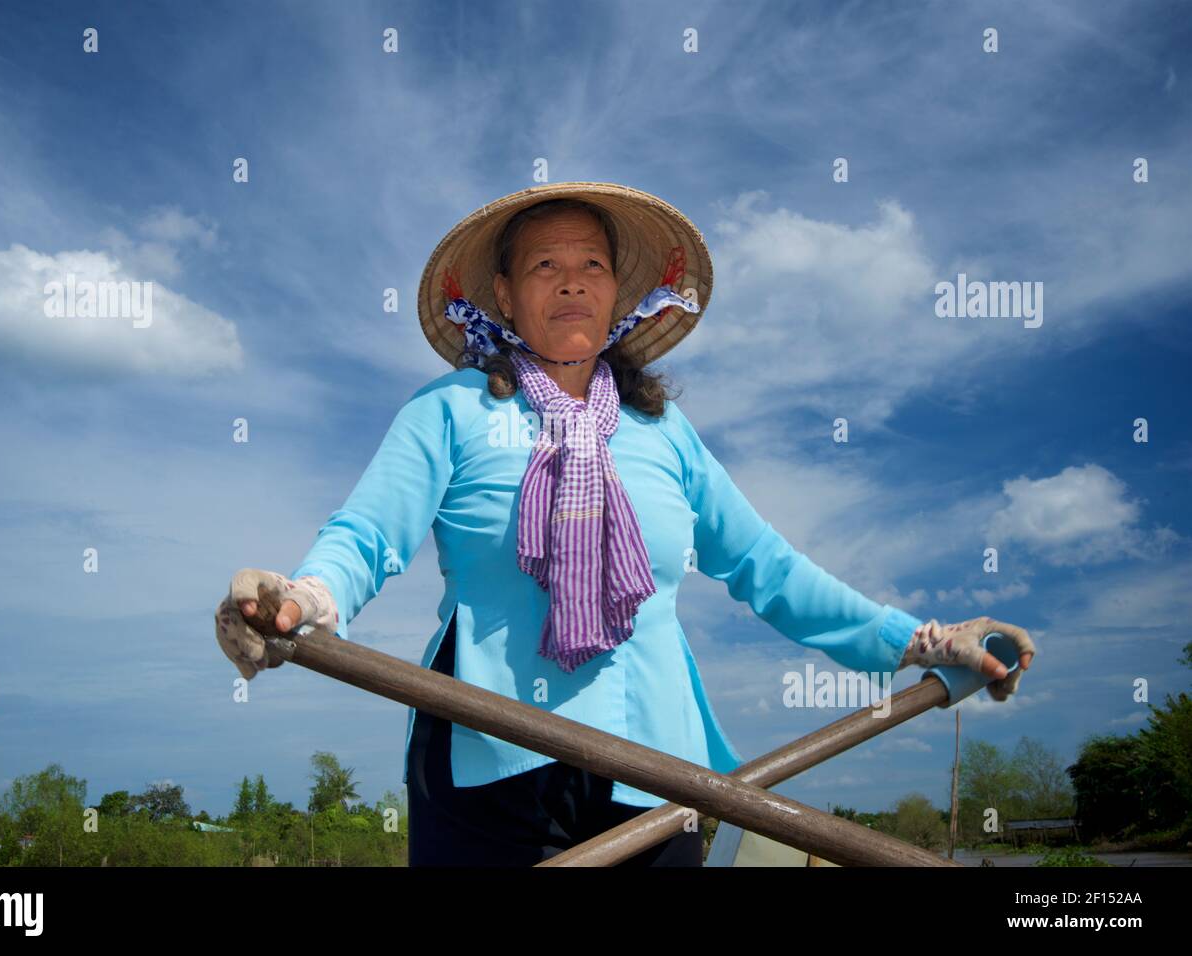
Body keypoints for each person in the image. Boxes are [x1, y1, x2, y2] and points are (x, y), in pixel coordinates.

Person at [214, 182, 1036, 867]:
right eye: (545, 265)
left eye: (592, 266)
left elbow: (768, 568)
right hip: (488, 758)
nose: (571, 281)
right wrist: (302, 598)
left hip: (656, 769)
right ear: (504, 293)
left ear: (617, 294)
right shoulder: (451, 411)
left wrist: (925, 643)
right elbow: (367, 535)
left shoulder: (663, 434)